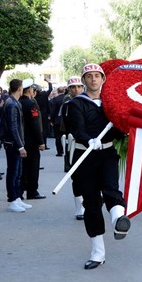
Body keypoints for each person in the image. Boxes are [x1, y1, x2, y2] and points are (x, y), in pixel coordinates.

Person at [63, 63, 130, 270]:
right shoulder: (76, 104)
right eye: (89, 76)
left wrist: (126, 128)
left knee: (111, 189)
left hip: (108, 153)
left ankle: (119, 220)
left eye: (97, 76)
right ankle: (98, 253)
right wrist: (88, 139)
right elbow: (77, 128)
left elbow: (119, 130)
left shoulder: (111, 103)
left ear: (103, 79)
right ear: (84, 81)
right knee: (91, 204)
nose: (93, 79)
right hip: (85, 156)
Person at [0, 79, 32, 213]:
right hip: (12, 144)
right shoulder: (12, 103)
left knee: (17, 172)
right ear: (20, 88)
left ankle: (16, 198)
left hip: (13, 143)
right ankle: (12, 200)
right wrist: (20, 146)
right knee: (13, 172)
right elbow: (13, 127)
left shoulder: (12, 102)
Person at [59, 77, 85, 219]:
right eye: (73, 87)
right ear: (69, 89)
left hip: (90, 144)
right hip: (73, 143)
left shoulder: (91, 101)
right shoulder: (67, 104)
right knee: (77, 177)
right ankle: (79, 207)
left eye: (79, 87)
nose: (76, 90)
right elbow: (64, 127)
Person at [19, 79, 46, 200]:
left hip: (21, 140)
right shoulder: (31, 104)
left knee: (22, 168)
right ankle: (32, 191)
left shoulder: (18, 102)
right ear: (30, 90)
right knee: (33, 167)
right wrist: (41, 141)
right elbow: (35, 125)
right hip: (31, 141)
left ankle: (20, 190)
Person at [35, 77, 53, 147]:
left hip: (37, 114)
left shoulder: (34, 97)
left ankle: (38, 143)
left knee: (38, 128)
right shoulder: (44, 94)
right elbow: (50, 89)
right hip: (44, 114)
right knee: (44, 129)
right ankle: (44, 143)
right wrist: (49, 82)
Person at [49, 86, 66, 157]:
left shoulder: (55, 99)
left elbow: (53, 111)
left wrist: (51, 120)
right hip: (65, 120)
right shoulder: (67, 98)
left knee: (58, 136)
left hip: (57, 120)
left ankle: (60, 151)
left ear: (58, 92)